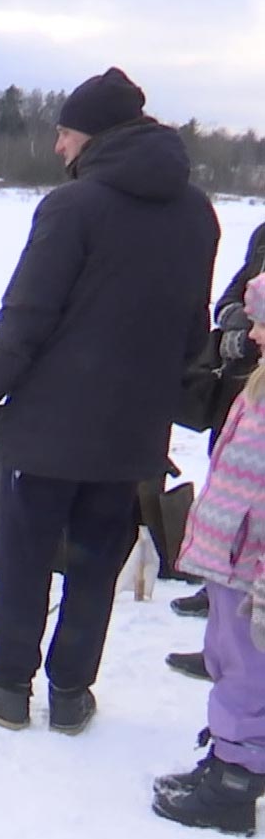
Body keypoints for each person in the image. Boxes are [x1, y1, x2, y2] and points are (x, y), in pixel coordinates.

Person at [0, 66, 219, 734]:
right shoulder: (198, 212)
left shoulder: (73, 206)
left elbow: (26, 317)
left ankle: (9, 685)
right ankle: (71, 693)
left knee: (23, 557)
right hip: (134, 432)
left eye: (65, 133)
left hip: (48, 425)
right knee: (97, 564)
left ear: (92, 134)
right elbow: (192, 327)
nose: (58, 148)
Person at [152, 274, 265, 835]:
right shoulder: (257, 385)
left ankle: (236, 784)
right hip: (231, 555)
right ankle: (227, 752)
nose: (254, 334)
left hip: (254, 564)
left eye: (263, 323)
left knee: (248, 669)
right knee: (226, 655)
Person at [164, 219, 265, 680]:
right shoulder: (264, 235)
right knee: (225, 490)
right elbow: (232, 295)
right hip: (242, 389)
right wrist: (237, 321)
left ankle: (243, 661)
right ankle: (219, 631)